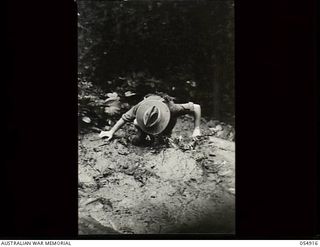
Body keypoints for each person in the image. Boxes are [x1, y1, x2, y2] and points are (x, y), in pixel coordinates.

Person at [99, 94, 201, 146]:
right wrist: (111, 132)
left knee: (163, 142)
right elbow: (125, 117)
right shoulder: (141, 107)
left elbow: (196, 107)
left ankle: (162, 136)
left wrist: (196, 129)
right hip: (146, 124)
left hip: (168, 122)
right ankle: (143, 135)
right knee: (136, 126)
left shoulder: (172, 108)